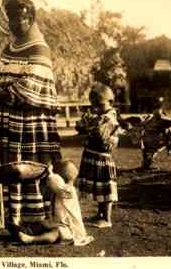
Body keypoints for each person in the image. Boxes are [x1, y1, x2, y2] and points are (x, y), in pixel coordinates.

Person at [0, 0, 62, 238]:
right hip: (6, 121)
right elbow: (2, 75)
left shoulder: (39, 49)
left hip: (28, 124)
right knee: (7, 166)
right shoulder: (10, 47)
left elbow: (29, 87)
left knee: (26, 166)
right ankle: (10, 217)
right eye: (10, 20)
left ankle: (33, 218)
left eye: (17, 20)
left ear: (29, 18)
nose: (13, 25)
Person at [76, 83, 121, 229]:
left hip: (102, 156)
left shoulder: (109, 118)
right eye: (94, 105)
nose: (95, 108)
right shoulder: (99, 116)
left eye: (99, 105)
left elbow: (101, 136)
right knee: (98, 187)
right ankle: (100, 214)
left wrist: (88, 127)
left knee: (104, 186)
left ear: (110, 102)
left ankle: (107, 218)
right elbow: (85, 129)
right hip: (94, 154)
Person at [17, 161, 94, 246]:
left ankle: (31, 239)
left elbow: (55, 183)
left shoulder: (68, 191)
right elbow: (55, 185)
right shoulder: (63, 190)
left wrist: (50, 173)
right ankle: (25, 231)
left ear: (61, 179)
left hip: (71, 229)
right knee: (42, 224)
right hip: (57, 222)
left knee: (57, 232)